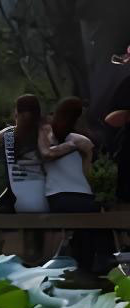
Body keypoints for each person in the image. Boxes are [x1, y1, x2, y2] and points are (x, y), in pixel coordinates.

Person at [42, 96, 113, 281]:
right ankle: (102, 258)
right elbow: (88, 173)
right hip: (81, 197)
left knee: (85, 226)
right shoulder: (81, 140)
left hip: (55, 197)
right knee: (96, 216)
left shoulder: (46, 140)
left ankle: (83, 263)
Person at [0, 94, 49, 214]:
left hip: (17, 201)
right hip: (44, 201)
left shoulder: (8, 137)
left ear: (17, 114)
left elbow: (0, 172)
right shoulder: (46, 135)